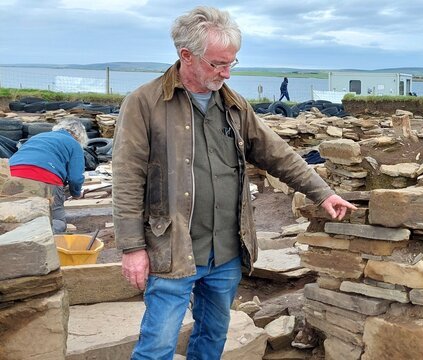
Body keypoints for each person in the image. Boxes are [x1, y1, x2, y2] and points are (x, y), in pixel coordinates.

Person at [112, 7, 357, 359]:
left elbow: (279, 154)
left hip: (225, 252)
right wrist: (132, 247)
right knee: (157, 346)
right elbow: (126, 178)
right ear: (186, 56)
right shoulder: (145, 103)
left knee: (212, 339)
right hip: (173, 249)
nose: (227, 72)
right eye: (217, 64)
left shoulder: (234, 105)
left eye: (232, 63)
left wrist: (323, 193)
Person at [9, 118, 87, 233]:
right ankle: (41, 241)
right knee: (56, 221)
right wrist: (76, 193)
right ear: (79, 136)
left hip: (11, 175)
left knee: (12, 218)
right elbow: (75, 178)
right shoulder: (74, 144)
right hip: (45, 177)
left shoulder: (37, 137)